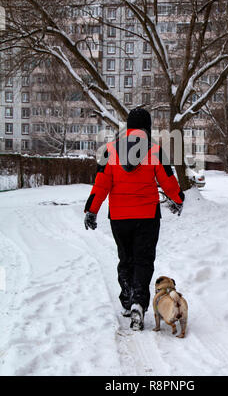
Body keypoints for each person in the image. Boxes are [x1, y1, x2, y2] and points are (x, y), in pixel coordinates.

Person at [84, 108, 184, 331]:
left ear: (128, 127)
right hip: (147, 217)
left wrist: (92, 210)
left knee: (126, 258)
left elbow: (101, 184)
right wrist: (178, 199)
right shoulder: (155, 151)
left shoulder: (110, 150)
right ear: (147, 128)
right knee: (143, 260)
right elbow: (168, 180)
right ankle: (139, 301)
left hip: (119, 217)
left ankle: (128, 300)